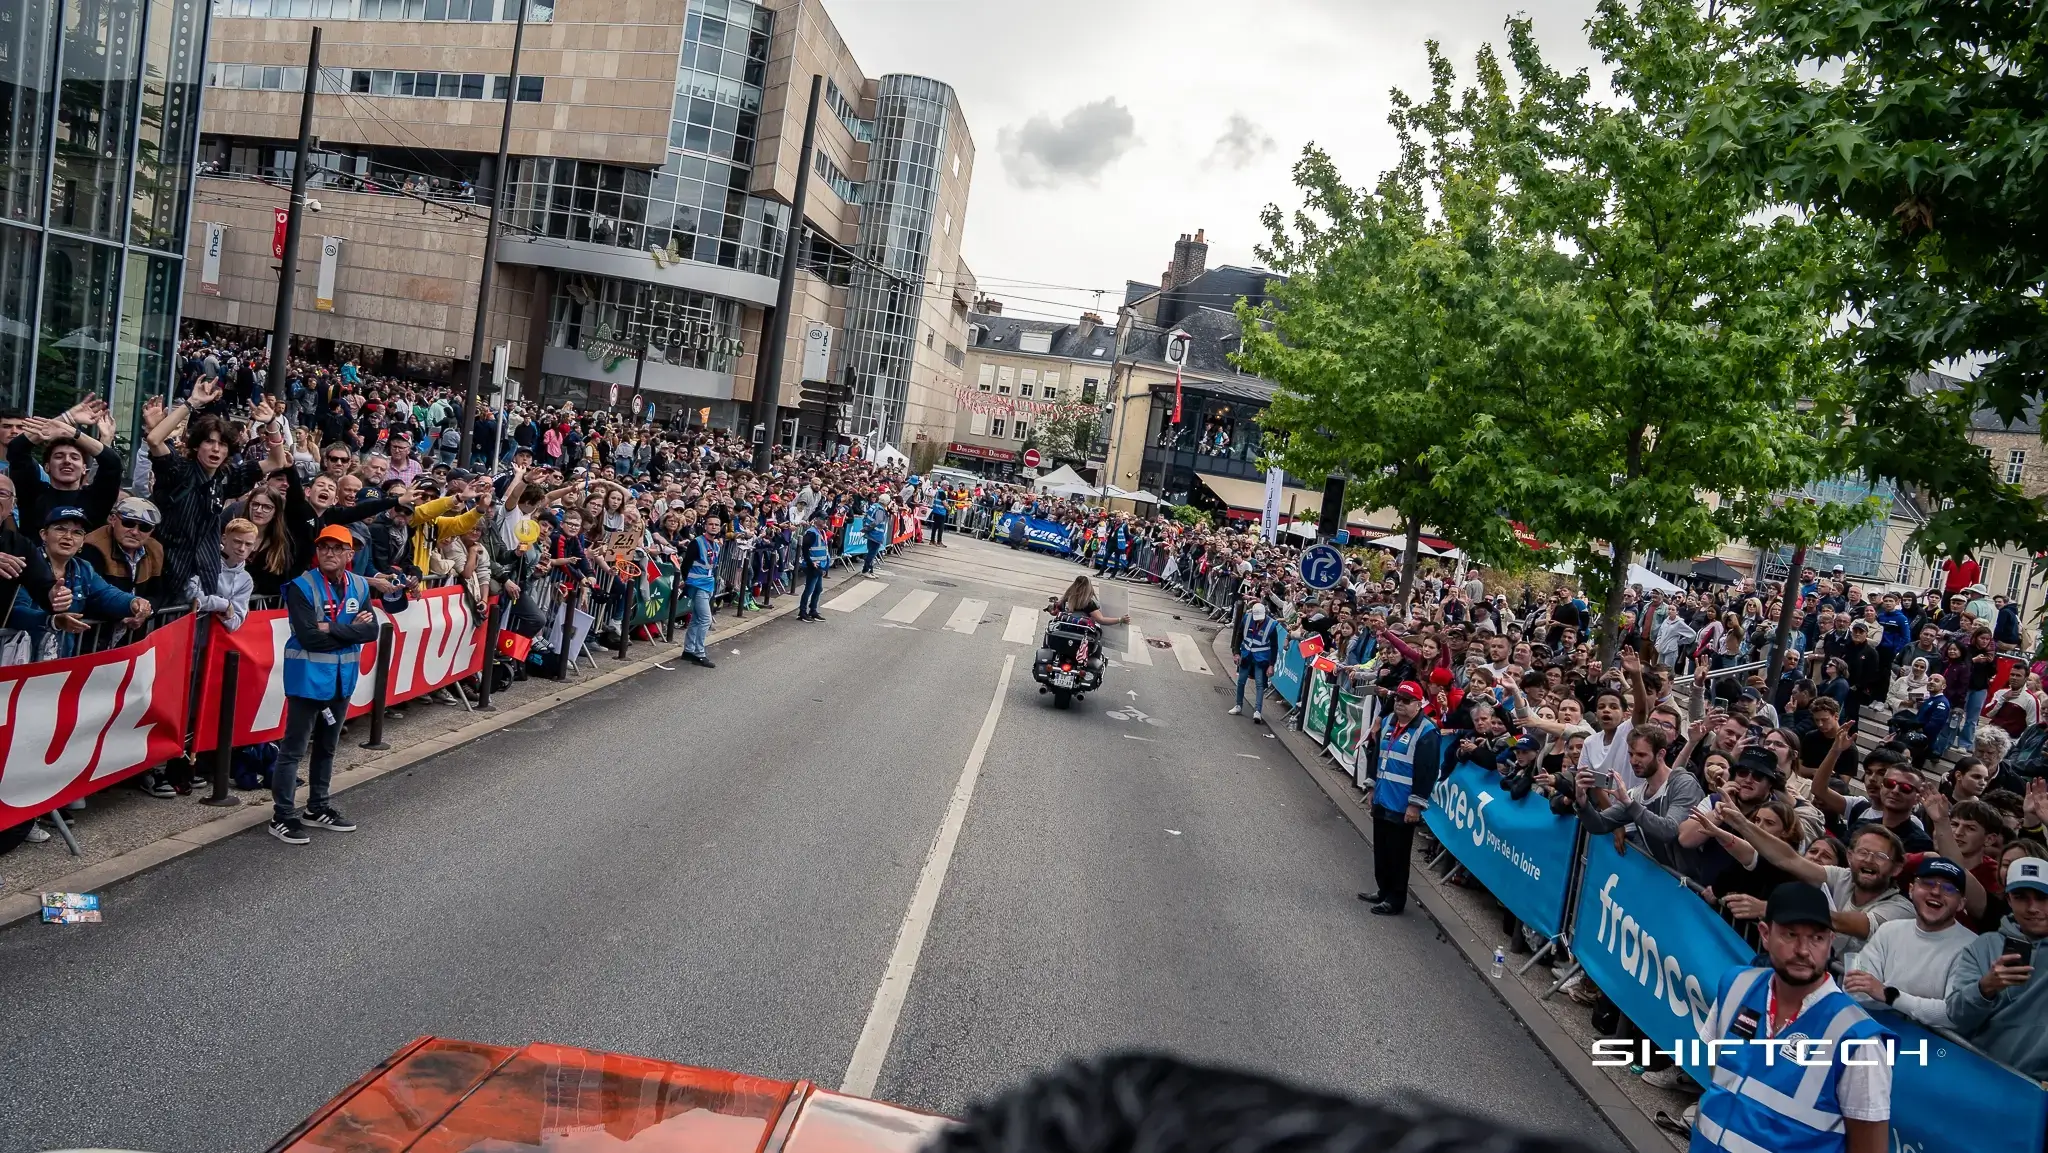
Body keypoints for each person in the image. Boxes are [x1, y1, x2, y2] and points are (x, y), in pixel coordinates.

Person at [1693, 882, 1894, 1153]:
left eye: (1817, 938)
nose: (1803, 950)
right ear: (1765, 934)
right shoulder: (1736, 984)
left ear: (1830, 942)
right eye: (1791, 935)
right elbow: (1719, 1073)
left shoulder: (1859, 1040)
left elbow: (1869, 1146)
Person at [270, 525, 379, 845]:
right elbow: (308, 637)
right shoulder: (301, 587)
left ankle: (317, 806)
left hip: (342, 680)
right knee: (293, 749)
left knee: (327, 747)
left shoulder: (359, 584)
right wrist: (349, 631)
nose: (329, 553)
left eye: (336, 548)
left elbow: (372, 632)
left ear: (349, 554)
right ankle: (282, 815)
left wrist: (329, 628)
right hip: (307, 679)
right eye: (323, 547)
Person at [1840, 856, 1978, 1027]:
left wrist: (1890, 995)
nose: (1936, 892)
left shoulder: (1973, 949)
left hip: (1931, 1042)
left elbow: (1953, 1013)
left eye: (1948, 888)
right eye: (1927, 883)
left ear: (1961, 904)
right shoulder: (1889, 930)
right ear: (1911, 890)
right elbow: (1855, 989)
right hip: (1875, 1029)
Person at [1944, 855, 2048, 1079]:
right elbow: (1957, 1017)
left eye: (2042, 897)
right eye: (2021, 897)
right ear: (2009, 899)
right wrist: (1985, 988)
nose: (2033, 908)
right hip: (1987, 1076)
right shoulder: (1983, 946)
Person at [1357, 680, 1440, 917]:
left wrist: (1416, 804)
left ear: (1418, 704)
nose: (1400, 704)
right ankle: (1383, 890)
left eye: (1406, 700)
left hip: (1403, 804)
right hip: (1383, 797)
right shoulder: (1388, 723)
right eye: (1397, 699)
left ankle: (1395, 898)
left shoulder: (1427, 732)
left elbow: (1427, 771)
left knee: (1398, 853)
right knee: (1382, 849)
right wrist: (1372, 787)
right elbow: (1377, 758)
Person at [678, 512, 722, 667]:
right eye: (711, 524)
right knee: (705, 619)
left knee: (697, 618)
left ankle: (689, 650)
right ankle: (699, 653)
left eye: (716, 525)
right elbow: (686, 565)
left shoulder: (716, 545)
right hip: (697, 585)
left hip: (708, 584)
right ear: (705, 526)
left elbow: (712, 566)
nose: (713, 527)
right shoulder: (696, 543)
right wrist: (687, 582)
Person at [1231, 600, 1281, 724]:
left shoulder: (1271, 625)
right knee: (1241, 681)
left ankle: (1257, 711)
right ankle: (1238, 705)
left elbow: (1274, 647)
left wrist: (1271, 665)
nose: (1258, 621)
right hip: (1246, 655)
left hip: (1261, 658)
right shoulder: (1247, 618)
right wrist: (1236, 653)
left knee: (1259, 684)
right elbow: (1239, 635)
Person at [796, 509, 831, 622]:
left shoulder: (821, 532)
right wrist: (811, 563)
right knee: (809, 589)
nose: (825, 521)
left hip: (819, 566)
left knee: (818, 589)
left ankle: (813, 610)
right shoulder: (811, 533)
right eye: (823, 519)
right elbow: (805, 549)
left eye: (826, 519)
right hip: (813, 566)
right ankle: (802, 612)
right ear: (816, 519)